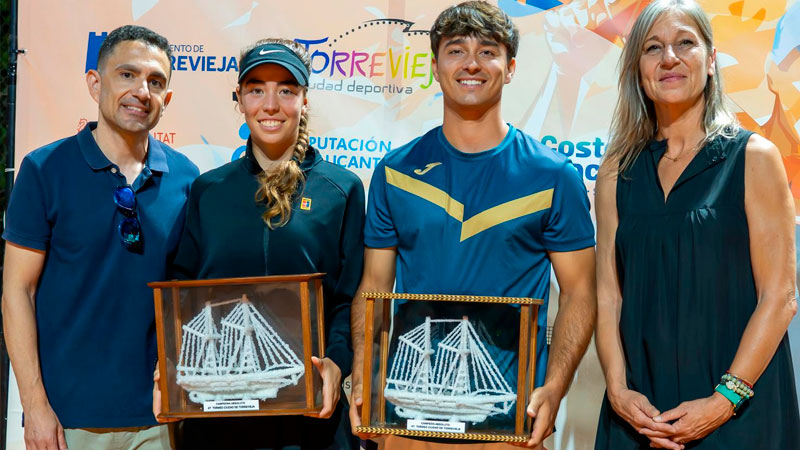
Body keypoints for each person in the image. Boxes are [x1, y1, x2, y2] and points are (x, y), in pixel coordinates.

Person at [348, 2, 597, 449]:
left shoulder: (554, 176)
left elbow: (580, 292)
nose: (471, 64)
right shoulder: (395, 171)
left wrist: (555, 387)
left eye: (487, 51)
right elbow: (374, 287)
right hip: (408, 422)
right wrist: (365, 375)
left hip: (511, 423)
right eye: (456, 50)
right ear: (435, 66)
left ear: (511, 67)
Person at [593, 0, 800, 449]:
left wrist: (724, 400)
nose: (669, 57)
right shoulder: (615, 172)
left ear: (710, 60)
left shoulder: (754, 157)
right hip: (638, 415)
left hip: (738, 413)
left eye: (685, 43)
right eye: (653, 48)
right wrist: (618, 389)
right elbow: (608, 298)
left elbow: (780, 296)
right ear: (638, 71)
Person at [2, 25, 198, 450]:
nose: (141, 91)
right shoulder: (44, 169)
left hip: (159, 416)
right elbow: (17, 291)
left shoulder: (186, 178)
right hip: (67, 419)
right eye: (127, 75)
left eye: (155, 82)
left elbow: (187, 295)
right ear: (95, 83)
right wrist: (35, 405)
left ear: (166, 99)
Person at [163, 38, 364, 450]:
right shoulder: (209, 190)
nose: (270, 105)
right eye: (256, 90)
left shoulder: (341, 189)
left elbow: (348, 298)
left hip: (311, 419)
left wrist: (336, 362)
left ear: (304, 100)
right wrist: (170, 365)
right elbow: (182, 292)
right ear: (239, 99)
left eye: (286, 90)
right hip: (218, 419)